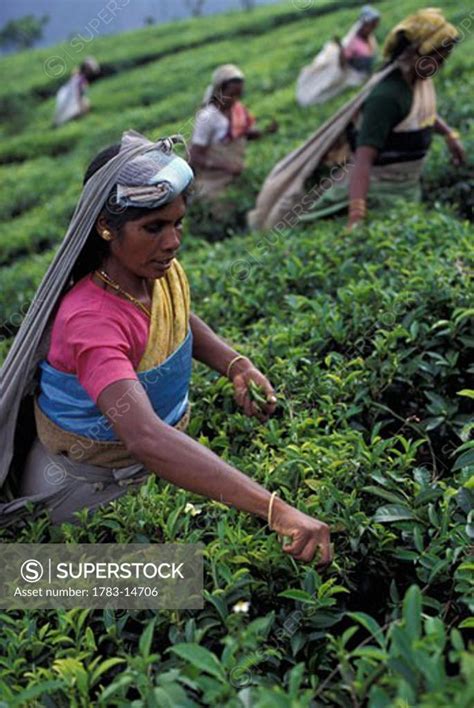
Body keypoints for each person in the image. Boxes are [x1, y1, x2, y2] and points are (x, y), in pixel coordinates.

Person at [0, 130, 331, 567]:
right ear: (105, 228)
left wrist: (235, 363)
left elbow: (174, 319)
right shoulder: (90, 320)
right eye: (153, 227)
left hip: (158, 467)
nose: (172, 242)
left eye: (177, 223)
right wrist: (275, 509)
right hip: (91, 491)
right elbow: (144, 437)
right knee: (173, 584)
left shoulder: (150, 270)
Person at [249, 8, 464, 232]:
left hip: (406, 188)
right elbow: (363, 160)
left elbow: (420, 112)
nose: (439, 66)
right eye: (437, 58)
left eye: (443, 59)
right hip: (377, 191)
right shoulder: (386, 97)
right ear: (414, 53)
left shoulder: (418, 82)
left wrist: (449, 134)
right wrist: (356, 216)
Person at [190, 64, 278, 201]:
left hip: (235, 173)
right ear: (219, 91)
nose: (236, 99)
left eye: (239, 94)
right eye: (231, 94)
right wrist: (226, 166)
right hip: (212, 179)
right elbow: (195, 156)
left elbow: (241, 134)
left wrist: (266, 131)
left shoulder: (236, 110)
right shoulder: (208, 117)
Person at [296, 5, 380, 107]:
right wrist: (340, 48)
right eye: (371, 25)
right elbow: (343, 64)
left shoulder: (369, 38)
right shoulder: (353, 42)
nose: (372, 28)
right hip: (357, 74)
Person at [53, 57, 100, 127]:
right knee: (85, 104)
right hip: (70, 99)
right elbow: (78, 96)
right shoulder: (80, 80)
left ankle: (59, 122)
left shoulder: (77, 75)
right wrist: (82, 110)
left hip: (65, 96)